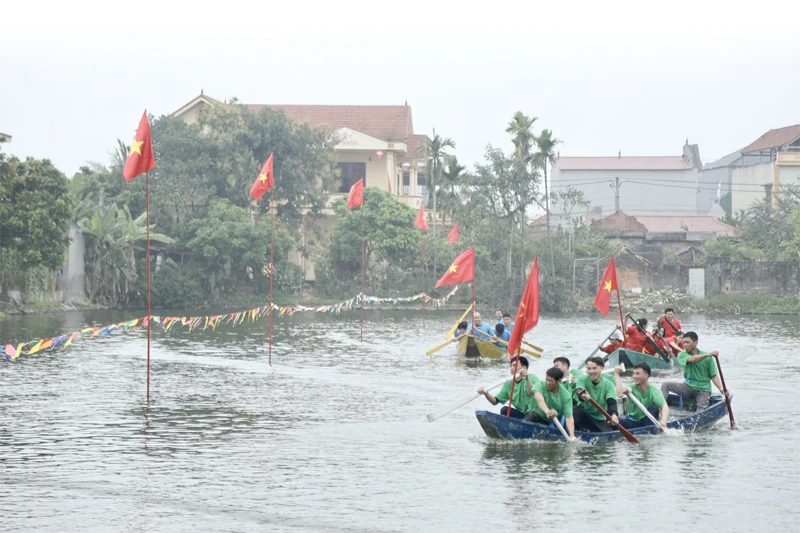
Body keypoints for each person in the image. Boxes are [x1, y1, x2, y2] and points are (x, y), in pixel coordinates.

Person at [660, 331, 730, 411]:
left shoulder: (708, 358)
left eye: (687, 342)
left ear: (696, 342)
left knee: (700, 410)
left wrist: (721, 389)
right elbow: (693, 359)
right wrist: (707, 355)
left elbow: (713, 376)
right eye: (684, 342)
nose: (685, 345)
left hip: (703, 389)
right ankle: (661, 408)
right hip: (688, 386)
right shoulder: (682, 354)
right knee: (666, 385)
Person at [523, 367, 576, 439]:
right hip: (538, 417)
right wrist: (548, 412)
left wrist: (572, 436)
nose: (547, 383)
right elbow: (540, 400)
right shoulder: (540, 384)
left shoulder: (566, 395)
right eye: (547, 379)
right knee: (531, 415)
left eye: (550, 381)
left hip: (554, 422)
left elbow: (569, 417)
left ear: (559, 381)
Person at [614, 363, 669, 430]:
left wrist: (663, 421)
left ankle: (650, 432)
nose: (634, 376)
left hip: (646, 422)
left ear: (646, 376)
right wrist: (617, 374)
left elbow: (664, 406)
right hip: (631, 421)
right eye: (633, 373)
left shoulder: (654, 391)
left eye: (637, 374)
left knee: (653, 407)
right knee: (613, 421)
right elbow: (619, 394)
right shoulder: (631, 387)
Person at [573, 356, 619, 432]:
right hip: (584, 415)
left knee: (607, 432)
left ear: (601, 368)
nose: (591, 371)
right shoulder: (582, 379)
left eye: (594, 368)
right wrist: (582, 395)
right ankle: (583, 429)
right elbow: (579, 389)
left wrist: (614, 415)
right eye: (589, 369)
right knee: (576, 409)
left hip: (599, 418)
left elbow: (612, 402)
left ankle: (589, 430)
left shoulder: (608, 384)